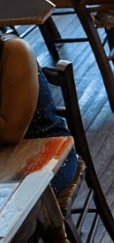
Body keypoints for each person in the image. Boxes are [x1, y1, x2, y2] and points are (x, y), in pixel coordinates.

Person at [0, 34, 80, 204]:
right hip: (4, 160)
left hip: (44, 155)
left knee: (8, 210)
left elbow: (10, 133)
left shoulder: (14, 50)